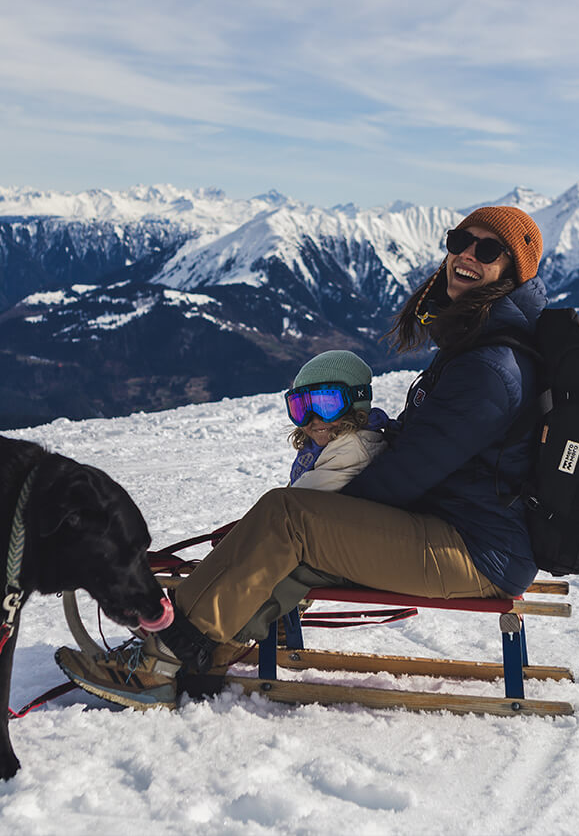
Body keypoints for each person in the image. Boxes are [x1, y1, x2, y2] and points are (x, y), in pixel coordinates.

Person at [56, 205, 548, 709]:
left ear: (513, 269)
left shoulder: (490, 367)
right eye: (459, 240)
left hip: (476, 551)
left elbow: (407, 474)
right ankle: (204, 653)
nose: (466, 254)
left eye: (487, 249)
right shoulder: (477, 342)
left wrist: (327, 517)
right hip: (458, 531)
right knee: (294, 536)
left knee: (288, 519)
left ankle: (165, 654)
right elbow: (430, 440)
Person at [286, 350, 390, 492]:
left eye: (328, 406)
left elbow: (292, 503)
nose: (314, 419)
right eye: (302, 409)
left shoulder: (351, 451)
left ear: (356, 404)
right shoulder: (323, 446)